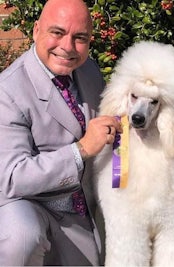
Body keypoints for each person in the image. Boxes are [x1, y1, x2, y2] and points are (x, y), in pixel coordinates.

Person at [0, 0, 122, 265]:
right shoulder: (7, 90)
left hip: (81, 207)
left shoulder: (89, 70)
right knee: (20, 235)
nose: (67, 47)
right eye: (57, 32)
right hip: (28, 205)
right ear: (35, 31)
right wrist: (81, 150)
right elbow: (12, 177)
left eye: (80, 38)